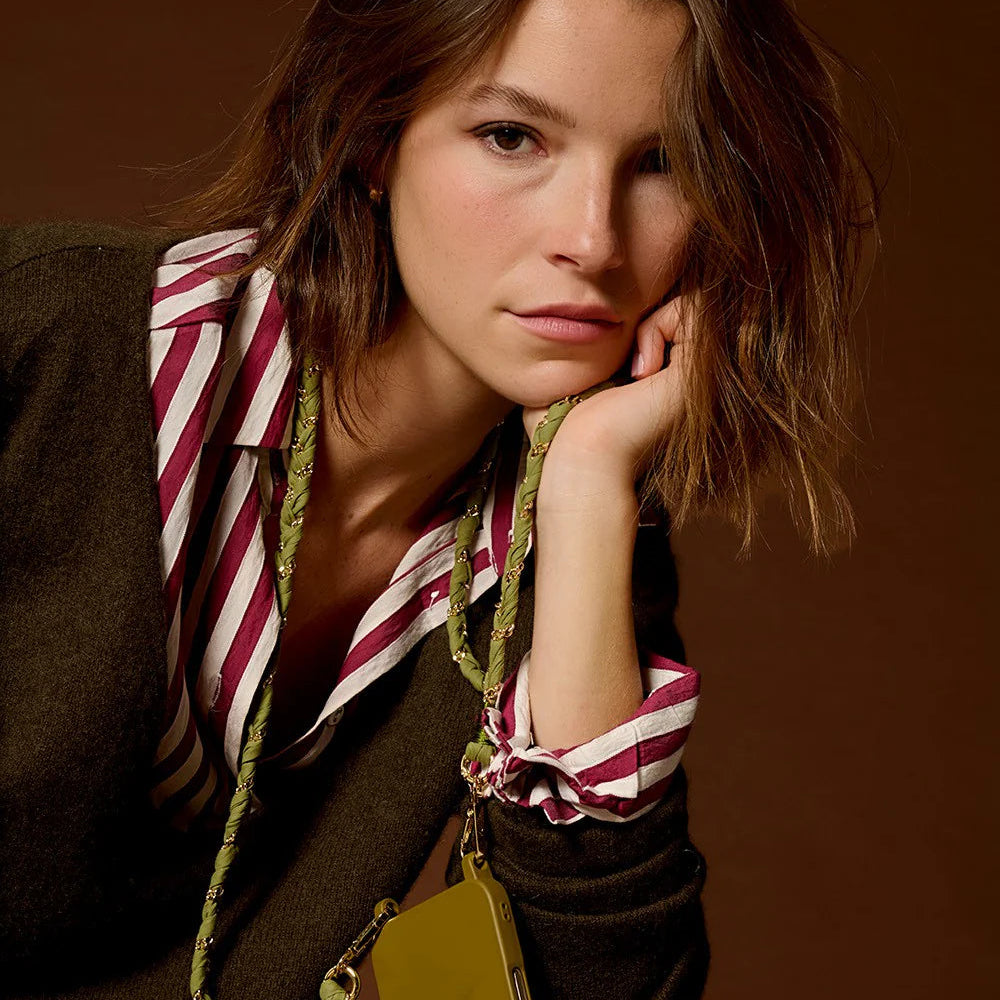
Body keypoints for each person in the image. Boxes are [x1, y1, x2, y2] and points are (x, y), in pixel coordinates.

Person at [0, 0, 880, 997]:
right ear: (372, 136)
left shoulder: (569, 552)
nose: (592, 239)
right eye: (511, 137)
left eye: (664, 162)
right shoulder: (39, 341)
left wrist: (588, 487)